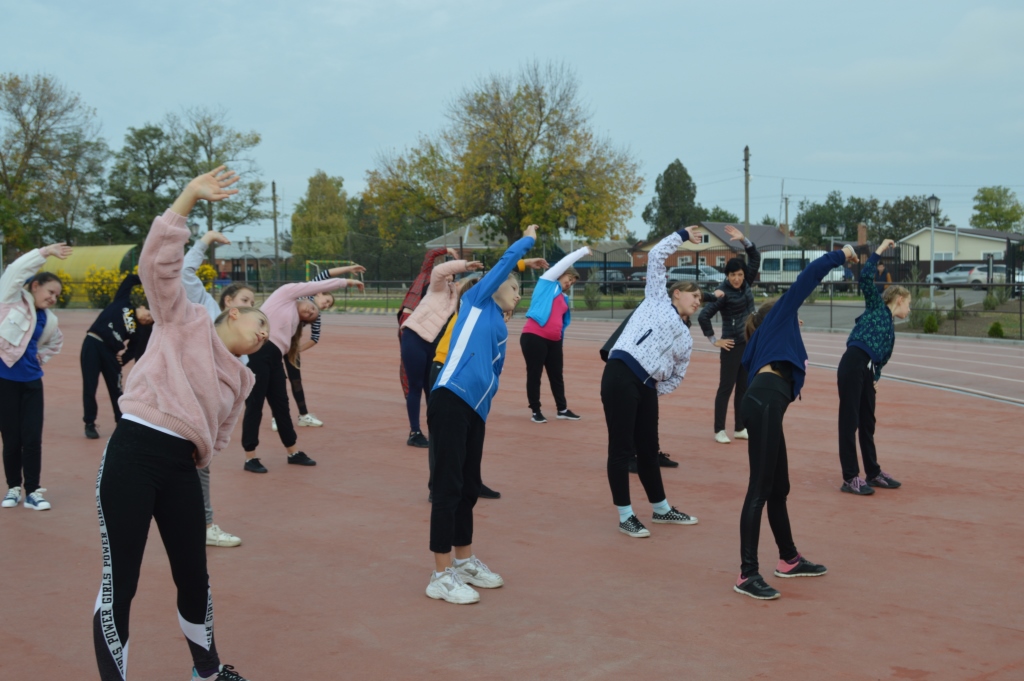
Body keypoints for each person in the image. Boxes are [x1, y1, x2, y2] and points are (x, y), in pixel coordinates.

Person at [93, 167, 263, 681]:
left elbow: (219, 437)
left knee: (194, 576)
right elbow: (156, 264)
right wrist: (188, 197)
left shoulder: (243, 378)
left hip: (181, 469)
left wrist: (197, 459)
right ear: (232, 313)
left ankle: (207, 672)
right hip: (134, 455)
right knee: (121, 581)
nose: (263, 330)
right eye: (257, 317)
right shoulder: (183, 320)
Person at [733, 244, 858, 601]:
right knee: (759, 489)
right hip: (766, 402)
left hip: (765, 403)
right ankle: (746, 574)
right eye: (793, 315)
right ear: (781, 315)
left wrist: (789, 326)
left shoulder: (764, 338)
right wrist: (842, 254)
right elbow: (808, 277)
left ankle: (788, 559)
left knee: (779, 487)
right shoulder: (778, 319)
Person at [425, 224, 537, 605]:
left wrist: (483, 413)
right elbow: (506, 264)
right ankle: (440, 575)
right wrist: (527, 240)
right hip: (450, 399)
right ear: (493, 285)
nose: (518, 293)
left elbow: (493, 373)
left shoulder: (499, 328)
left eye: (520, 290)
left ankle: (464, 561)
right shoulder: (475, 302)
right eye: (514, 286)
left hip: (474, 411)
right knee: (447, 488)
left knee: (469, 487)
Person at [601, 226, 704, 539]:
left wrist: (656, 388)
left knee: (648, 449)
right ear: (677, 293)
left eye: (701, 298)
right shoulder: (657, 298)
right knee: (621, 449)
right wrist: (682, 235)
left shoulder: (687, 337)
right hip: (621, 373)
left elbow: (678, 374)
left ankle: (661, 509)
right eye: (694, 295)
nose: (698, 301)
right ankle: (626, 516)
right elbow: (657, 255)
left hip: (647, 388)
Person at [241, 263, 363, 473]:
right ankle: (250, 457)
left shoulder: (293, 325)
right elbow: (320, 282)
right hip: (259, 353)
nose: (311, 311)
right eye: (313, 308)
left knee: (282, 406)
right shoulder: (286, 294)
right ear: (309, 298)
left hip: (275, 360)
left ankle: (293, 452)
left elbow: (311, 338)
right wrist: (348, 281)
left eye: (311, 316)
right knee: (255, 404)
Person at [181, 231, 262, 547]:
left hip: (204, 417)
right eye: (245, 301)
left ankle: (203, 525)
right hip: (180, 405)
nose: (250, 306)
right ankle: (201, 524)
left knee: (199, 467)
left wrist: (216, 434)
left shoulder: (243, 352)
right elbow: (185, 272)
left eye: (253, 303)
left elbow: (235, 395)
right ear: (229, 303)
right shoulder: (204, 309)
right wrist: (204, 241)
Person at [0, 242, 71, 512]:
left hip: (32, 383)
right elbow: (15, 270)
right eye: (50, 292)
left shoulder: (49, 320)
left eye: (57, 296)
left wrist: (39, 358)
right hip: (5, 380)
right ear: (35, 286)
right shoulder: (10, 299)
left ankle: (32, 491)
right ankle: (13, 488)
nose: (53, 298)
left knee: (32, 439)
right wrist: (45, 252)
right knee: (11, 439)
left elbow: (55, 343)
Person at [838, 239, 910, 495]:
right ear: (899, 299)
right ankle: (850, 478)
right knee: (849, 421)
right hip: (852, 362)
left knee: (867, 422)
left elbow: (881, 359)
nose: (909, 308)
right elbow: (866, 278)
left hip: (866, 370)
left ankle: (873, 472)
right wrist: (879, 249)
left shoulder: (891, 330)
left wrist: (874, 376)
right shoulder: (877, 306)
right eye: (908, 303)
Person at [401, 254, 485, 447]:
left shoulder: (460, 303)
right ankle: (414, 432)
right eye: (450, 275)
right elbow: (439, 271)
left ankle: (436, 431)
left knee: (432, 389)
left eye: (453, 277)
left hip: (433, 345)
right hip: (415, 337)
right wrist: (464, 265)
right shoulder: (437, 289)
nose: (450, 278)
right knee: (415, 386)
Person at [272, 263, 366, 432]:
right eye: (327, 301)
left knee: (296, 380)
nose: (326, 305)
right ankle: (276, 417)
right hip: (275, 339)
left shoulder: (316, 316)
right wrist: (348, 269)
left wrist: (297, 350)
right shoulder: (308, 293)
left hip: (291, 343)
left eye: (329, 306)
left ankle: (303, 415)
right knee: (276, 380)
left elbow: (315, 338)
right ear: (320, 292)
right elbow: (326, 274)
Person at [698, 225, 761, 444]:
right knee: (726, 388)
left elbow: (755, 258)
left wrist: (743, 239)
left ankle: (740, 427)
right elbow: (703, 316)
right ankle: (719, 430)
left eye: (740, 275)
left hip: (748, 343)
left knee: (744, 387)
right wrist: (715, 340)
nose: (737, 279)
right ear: (727, 275)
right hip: (731, 345)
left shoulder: (746, 283)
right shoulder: (722, 293)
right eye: (733, 275)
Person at [520, 246, 590, 423]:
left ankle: (562, 409)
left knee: (557, 376)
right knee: (535, 375)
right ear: (561, 274)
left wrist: (560, 339)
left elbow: (560, 322)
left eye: (573, 283)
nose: (569, 284)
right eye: (569, 279)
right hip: (534, 337)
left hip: (554, 341)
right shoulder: (546, 283)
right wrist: (582, 251)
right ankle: (536, 411)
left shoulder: (563, 297)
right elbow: (564, 262)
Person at [82, 274, 154, 440]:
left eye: (149, 320)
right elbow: (129, 280)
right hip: (93, 343)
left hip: (110, 353)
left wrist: (124, 358)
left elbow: (134, 349)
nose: (146, 318)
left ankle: (121, 423)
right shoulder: (123, 302)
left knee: (116, 389)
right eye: (148, 314)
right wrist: (149, 279)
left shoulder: (137, 331)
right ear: (143, 307)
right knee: (90, 386)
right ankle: (89, 423)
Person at [398, 248, 451, 397]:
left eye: (451, 276)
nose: (448, 277)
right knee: (409, 361)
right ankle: (411, 393)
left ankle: (426, 391)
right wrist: (448, 250)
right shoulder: (426, 276)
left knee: (428, 359)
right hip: (411, 320)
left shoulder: (446, 291)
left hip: (425, 324)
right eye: (446, 273)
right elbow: (430, 254)